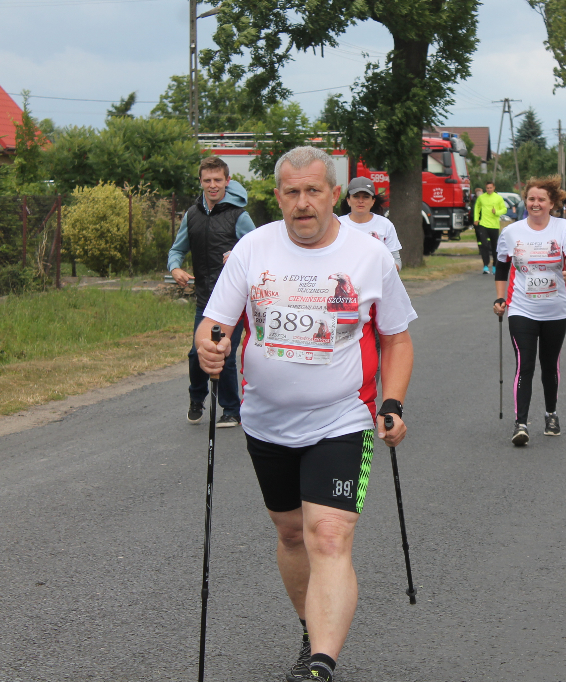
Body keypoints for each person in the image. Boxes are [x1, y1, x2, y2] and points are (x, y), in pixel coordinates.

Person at [195, 147, 417, 682]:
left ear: (334, 194)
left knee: (329, 536)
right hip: (267, 420)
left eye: (313, 190)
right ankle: (308, 626)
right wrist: (209, 347)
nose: (302, 203)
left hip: (341, 418)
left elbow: (397, 339)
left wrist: (392, 402)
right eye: (291, 192)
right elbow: (214, 323)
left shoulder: (369, 255)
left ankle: (321, 663)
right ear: (277, 196)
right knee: (292, 533)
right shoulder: (253, 248)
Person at [493, 175, 566, 446]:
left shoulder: (563, 228)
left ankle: (551, 413)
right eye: (531, 198)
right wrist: (500, 299)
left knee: (549, 364)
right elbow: (501, 267)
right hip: (522, 308)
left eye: (541, 199)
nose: (535, 203)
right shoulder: (512, 232)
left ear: (551, 203)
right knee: (525, 363)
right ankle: (520, 423)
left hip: (556, 309)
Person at [168, 156, 256, 428]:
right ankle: (197, 399)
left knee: (224, 352)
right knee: (197, 353)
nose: (213, 185)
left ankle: (231, 410)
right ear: (201, 182)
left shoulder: (238, 215)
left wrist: (237, 254)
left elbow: (258, 248)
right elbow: (177, 249)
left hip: (234, 298)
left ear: (227, 182)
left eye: (218, 180)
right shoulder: (192, 215)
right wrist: (175, 269)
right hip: (206, 298)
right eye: (207, 180)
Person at [338, 176, 402, 270]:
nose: (360, 201)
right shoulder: (337, 224)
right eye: (356, 196)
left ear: (373, 201)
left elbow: (396, 261)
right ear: (348, 200)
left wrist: (383, 272)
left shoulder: (385, 225)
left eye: (366, 197)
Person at [473, 181, 507, 275]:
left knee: (494, 246)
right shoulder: (481, 197)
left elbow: (504, 209)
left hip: (494, 225)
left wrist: (496, 212)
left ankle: (495, 266)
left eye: (490, 188)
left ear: (494, 188)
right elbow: (477, 207)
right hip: (483, 224)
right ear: (485, 188)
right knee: (484, 245)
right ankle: (485, 266)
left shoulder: (498, 198)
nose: (489, 190)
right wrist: (476, 218)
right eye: (487, 188)